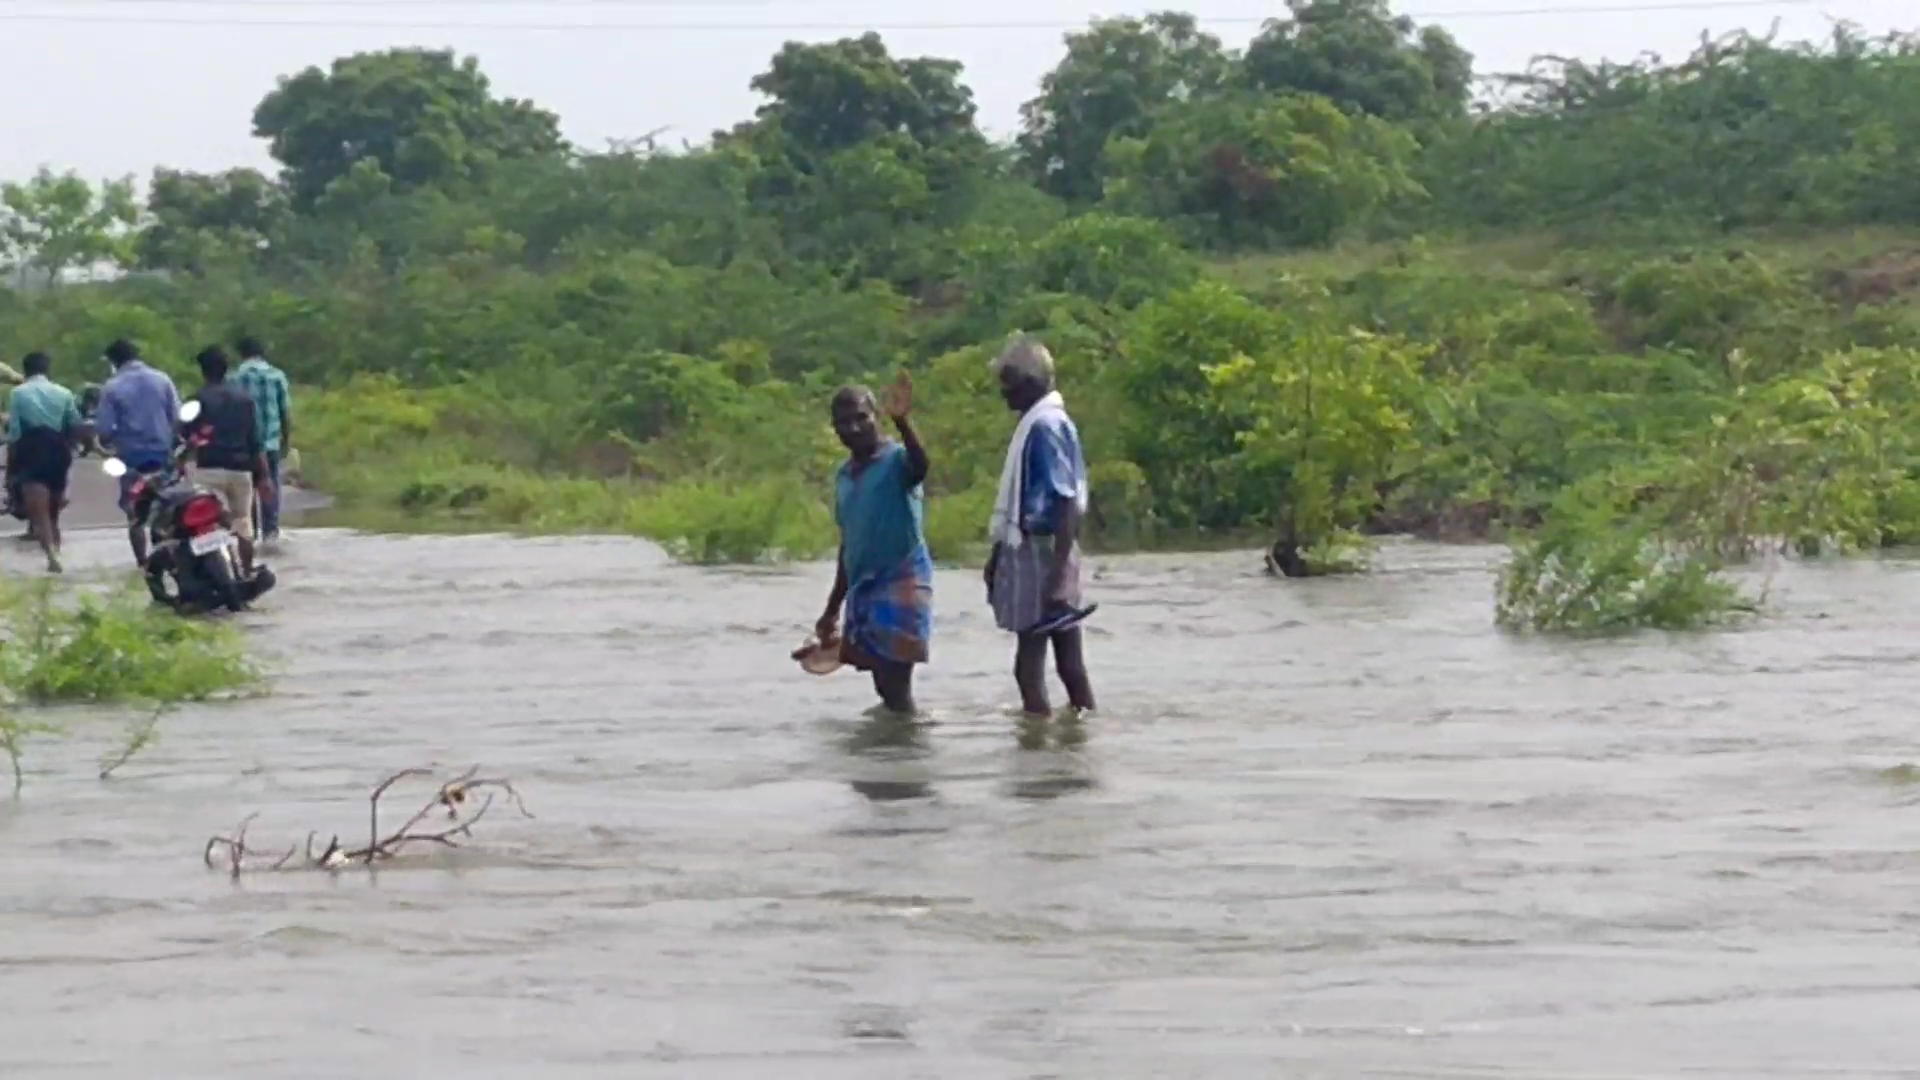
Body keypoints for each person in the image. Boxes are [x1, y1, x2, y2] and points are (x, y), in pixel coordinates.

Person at [984, 335, 1097, 718]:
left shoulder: (1045, 427)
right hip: (1040, 547)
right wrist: (998, 555)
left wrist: (1057, 573)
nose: (1004, 395)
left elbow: (1066, 501)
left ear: (1031, 383)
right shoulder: (1039, 423)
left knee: (1028, 665)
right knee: (1068, 659)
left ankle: (1036, 753)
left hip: (1046, 549)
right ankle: (1076, 738)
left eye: (1009, 385)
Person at [809, 372, 933, 715]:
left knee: (895, 683)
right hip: (865, 587)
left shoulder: (896, 461)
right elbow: (850, 546)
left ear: (876, 417)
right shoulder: (845, 477)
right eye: (843, 422)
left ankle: (906, 756)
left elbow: (921, 467)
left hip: (901, 578)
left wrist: (904, 423)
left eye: (861, 417)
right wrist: (832, 609)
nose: (853, 428)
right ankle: (893, 755)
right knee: (883, 684)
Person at [184, 346, 273, 575]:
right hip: (241, 470)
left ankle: (215, 571)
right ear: (227, 369)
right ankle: (246, 570)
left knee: (208, 523)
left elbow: (185, 437)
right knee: (243, 521)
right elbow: (256, 442)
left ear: (202, 370)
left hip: (208, 470)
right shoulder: (245, 400)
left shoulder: (196, 400)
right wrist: (264, 477)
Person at [94, 339, 182, 567]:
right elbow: (177, 418)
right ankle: (171, 559)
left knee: (135, 516)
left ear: (114, 361)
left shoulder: (112, 387)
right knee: (169, 507)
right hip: (164, 456)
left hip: (131, 460)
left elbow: (104, 430)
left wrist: (110, 442)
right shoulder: (162, 379)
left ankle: (144, 565)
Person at [4, 353, 83, 572]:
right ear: (48, 370)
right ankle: (57, 549)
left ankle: (51, 555)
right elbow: (75, 424)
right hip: (59, 449)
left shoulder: (18, 393)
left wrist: (10, 469)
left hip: (32, 448)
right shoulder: (64, 393)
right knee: (54, 509)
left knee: (39, 512)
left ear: (26, 370)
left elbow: (15, 433)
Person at [232, 335, 292, 544]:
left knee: (248, 488)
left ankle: (251, 533)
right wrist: (286, 440)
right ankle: (271, 533)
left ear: (241, 353)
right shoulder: (277, 375)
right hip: (272, 442)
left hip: (246, 444)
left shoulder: (236, 377)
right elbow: (285, 412)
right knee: (270, 485)